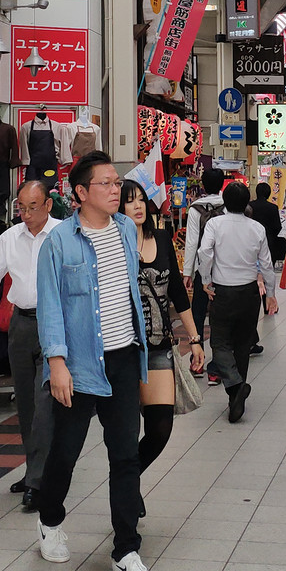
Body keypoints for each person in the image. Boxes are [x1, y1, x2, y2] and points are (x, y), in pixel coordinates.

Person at [35, 151, 157, 571]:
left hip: (124, 358)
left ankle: (126, 551)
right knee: (65, 454)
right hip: (79, 364)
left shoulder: (126, 229)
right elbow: (50, 306)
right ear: (81, 192)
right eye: (105, 183)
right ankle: (50, 522)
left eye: (116, 182)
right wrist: (57, 363)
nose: (115, 190)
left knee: (125, 455)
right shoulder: (59, 243)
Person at [0, 179, 59, 510]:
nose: (27, 214)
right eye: (21, 207)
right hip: (20, 324)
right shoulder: (8, 238)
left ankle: (37, 480)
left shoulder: (62, 235)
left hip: (53, 325)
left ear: (48, 205)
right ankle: (35, 469)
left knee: (45, 402)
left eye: (33, 207)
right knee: (27, 404)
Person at [120, 179, 205, 475]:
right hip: (124, 348)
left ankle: (128, 480)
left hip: (158, 346)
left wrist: (194, 339)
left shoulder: (162, 237)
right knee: (125, 432)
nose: (138, 205)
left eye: (141, 199)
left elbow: (178, 295)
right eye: (130, 201)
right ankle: (127, 492)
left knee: (160, 428)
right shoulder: (113, 243)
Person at [197, 181, 278, 422]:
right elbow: (266, 263)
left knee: (220, 343)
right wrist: (271, 294)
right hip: (249, 292)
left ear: (225, 202)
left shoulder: (214, 224)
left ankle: (234, 386)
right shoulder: (256, 228)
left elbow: (204, 252)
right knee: (243, 346)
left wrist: (205, 278)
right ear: (246, 203)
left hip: (223, 291)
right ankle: (236, 396)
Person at [183, 168, 225, 384]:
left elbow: (191, 243)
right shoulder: (227, 207)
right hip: (223, 271)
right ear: (222, 184)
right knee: (219, 317)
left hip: (202, 270)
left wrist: (187, 272)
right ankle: (217, 367)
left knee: (198, 314)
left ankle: (196, 359)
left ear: (202, 184)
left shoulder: (195, 209)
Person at [248, 181, 286, 265]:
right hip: (269, 242)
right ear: (269, 193)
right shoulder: (273, 208)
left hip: (251, 241)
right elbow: (277, 226)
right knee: (267, 268)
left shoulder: (249, 206)